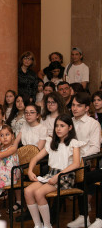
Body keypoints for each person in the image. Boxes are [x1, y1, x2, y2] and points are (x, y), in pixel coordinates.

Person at [25, 114, 83, 228]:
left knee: (38, 193)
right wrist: (30, 171)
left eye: (62, 126)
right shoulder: (51, 143)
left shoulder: (73, 143)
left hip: (65, 176)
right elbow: (35, 158)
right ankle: (38, 224)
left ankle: (47, 225)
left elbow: (76, 163)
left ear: (70, 128)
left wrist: (58, 176)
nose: (58, 129)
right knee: (27, 191)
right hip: (51, 175)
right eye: (57, 126)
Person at [67, 92, 101, 228]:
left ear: (87, 108)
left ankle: (96, 218)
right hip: (68, 163)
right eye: (73, 105)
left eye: (79, 106)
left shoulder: (93, 124)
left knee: (85, 176)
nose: (74, 108)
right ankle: (83, 217)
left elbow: (96, 148)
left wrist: (79, 159)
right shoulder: (69, 122)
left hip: (85, 162)